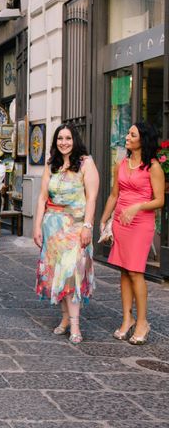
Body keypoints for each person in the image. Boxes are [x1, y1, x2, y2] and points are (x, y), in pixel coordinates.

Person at [99, 122, 164, 345]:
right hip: (121, 221)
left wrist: (137, 207)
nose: (127, 136)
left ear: (142, 140)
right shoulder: (122, 164)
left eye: (132, 134)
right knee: (124, 271)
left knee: (136, 271)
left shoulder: (153, 167)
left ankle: (143, 322)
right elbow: (114, 195)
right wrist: (104, 219)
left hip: (140, 222)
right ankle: (127, 318)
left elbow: (160, 200)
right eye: (128, 133)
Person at [33, 124, 99, 344]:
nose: (64, 142)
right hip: (53, 228)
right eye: (60, 138)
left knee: (72, 274)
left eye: (68, 138)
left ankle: (76, 325)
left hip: (76, 227)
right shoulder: (52, 164)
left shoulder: (86, 163)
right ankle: (64, 320)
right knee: (57, 275)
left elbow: (91, 197)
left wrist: (88, 226)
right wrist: (36, 226)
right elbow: (42, 197)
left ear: (75, 139)